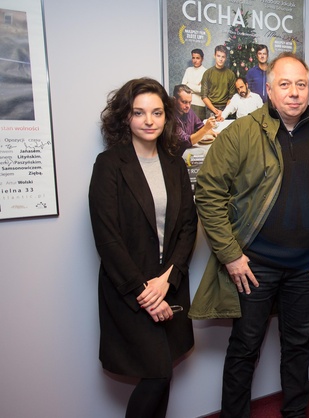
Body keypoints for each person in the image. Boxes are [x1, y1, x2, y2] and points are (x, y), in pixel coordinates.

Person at [189, 52, 309, 418]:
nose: (294, 92)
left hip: (308, 267)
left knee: (298, 347)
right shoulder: (241, 132)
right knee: (245, 348)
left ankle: (296, 413)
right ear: (270, 90)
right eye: (285, 84)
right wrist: (230, 254)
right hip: (254, 266)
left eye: (301, 84)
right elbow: (208, 194)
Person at [88, 78, 198, 418]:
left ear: (167, 117)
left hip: (169, 285)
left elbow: (188, 227)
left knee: (163, 373)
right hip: (129, 290)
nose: (149, 120)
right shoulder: (109, 164)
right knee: (157, 374)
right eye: (139, 113)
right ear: (126, 117)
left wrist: (167, 280)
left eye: (157, 112)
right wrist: (145, 293)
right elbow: (107, 238)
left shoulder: (175, 164)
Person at [173, 84, 217, 153]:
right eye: (184, 102)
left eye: (190, 102)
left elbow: (200, 126)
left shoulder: (188, 110)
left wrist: (214, 133)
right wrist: (206, 128)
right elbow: (186, 141)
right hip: (177, 153)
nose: (188, 106)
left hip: (188, 150)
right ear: (175, 100)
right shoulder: (170, 118)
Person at [201, 44, 237, 119]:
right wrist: (215, 111)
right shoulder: (207, 73)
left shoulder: (230, 74)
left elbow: (231, 97)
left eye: (223, 57)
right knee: (210, 126)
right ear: (214, 56)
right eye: (218, 56)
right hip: (211, 108)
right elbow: (204, 96)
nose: (220, 59)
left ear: (226, 58)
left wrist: (224, 112)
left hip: (226, 108)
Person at [181, 48, 208, 120]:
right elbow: (183, 87)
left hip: (200, 105)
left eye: (197, 58)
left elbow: (201, 90)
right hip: (187, 104)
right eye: (193, 58)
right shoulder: (188, 70)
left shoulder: (206, 72)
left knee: (199, 126)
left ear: (202, 59)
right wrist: (195, 86)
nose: (195, 60)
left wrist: (188, 84)